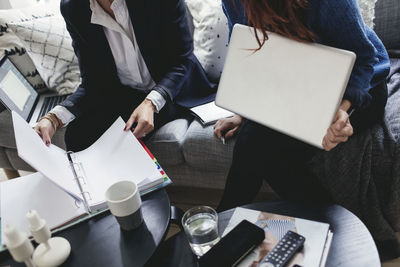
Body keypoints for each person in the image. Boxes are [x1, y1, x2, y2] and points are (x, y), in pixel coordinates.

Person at [215, 0, 390, 211]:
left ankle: (224, 223)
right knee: (260, 144)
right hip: (300, 81)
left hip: (361, 85)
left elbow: (364, 60)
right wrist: (243, 113)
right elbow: (251, 55)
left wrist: (341, 110)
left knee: (257, 143)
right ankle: (335, 226)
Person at [34, 0, 215, 151]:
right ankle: (94, 192)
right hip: (125, 94)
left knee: (125, 137)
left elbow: (183, 60)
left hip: (173, 90)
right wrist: (53, 118)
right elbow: (93, 81)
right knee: (78, 134)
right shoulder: (74, 8)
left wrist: (151, 102)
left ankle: (137, 190)